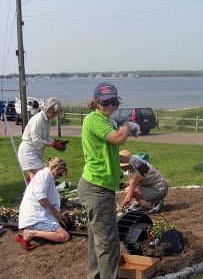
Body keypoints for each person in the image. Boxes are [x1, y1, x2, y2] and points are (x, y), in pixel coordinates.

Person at [77, 82, 140, 279]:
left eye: (114, 102)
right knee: (108, 242)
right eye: (106, 102)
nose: (110, 106)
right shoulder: (95, 119)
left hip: (97, 186)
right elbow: (118, 139)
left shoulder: (103, 120)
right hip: (97, 187)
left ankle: (95, 276)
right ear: (96, 102)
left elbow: (110, 152)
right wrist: (128, 125)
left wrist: (131, 159)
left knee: (98, 238)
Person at [17, 157, 70, 250]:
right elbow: (41, 197)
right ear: (53, 167)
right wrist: (55, 212)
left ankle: (32, 232)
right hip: (35, 217)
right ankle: (31, 233)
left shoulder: (47, 175)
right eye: (59, 173)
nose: (60, 175)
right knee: (64, 236)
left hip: (37, 215)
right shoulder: (44, 175)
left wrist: (58, 213)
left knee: (62, 230)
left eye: (61, 174)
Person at [17, 97, 65, 182]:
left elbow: (45, 137)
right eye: (54, 112)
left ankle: (30, 191)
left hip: (35, 151)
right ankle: (34, 193)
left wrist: (56, 143)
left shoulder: (47, 119)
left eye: (56, 113)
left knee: (37, 178)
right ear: (48, 109)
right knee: (40, 178)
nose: (55, 115)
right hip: (28, 151)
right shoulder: (38, 119)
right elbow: (37, 140)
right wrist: (53, 145)